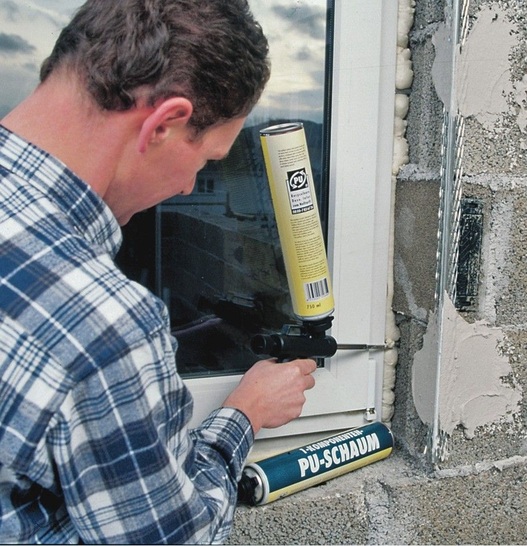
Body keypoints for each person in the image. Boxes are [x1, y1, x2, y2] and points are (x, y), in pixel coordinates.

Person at [0, 0, 317, 543]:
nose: (191, 187)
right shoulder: (103, 326)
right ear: (166, 124)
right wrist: (243, 413)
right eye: (206, 161)